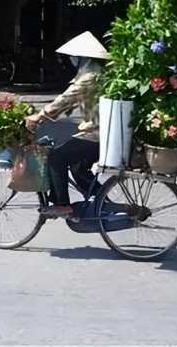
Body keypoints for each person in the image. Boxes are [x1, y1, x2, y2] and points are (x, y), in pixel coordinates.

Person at [24, 31, 110, 217]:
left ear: (82, 58)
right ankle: (104, 204)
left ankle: (62, 205)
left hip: (97, 134)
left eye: (74, 57)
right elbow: (70, 103)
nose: (71, 60)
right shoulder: (93, 73)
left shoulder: (90, 77)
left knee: (56, 158)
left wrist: (40, 116)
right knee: (78, 167)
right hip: (99, 133)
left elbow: (65, 99)